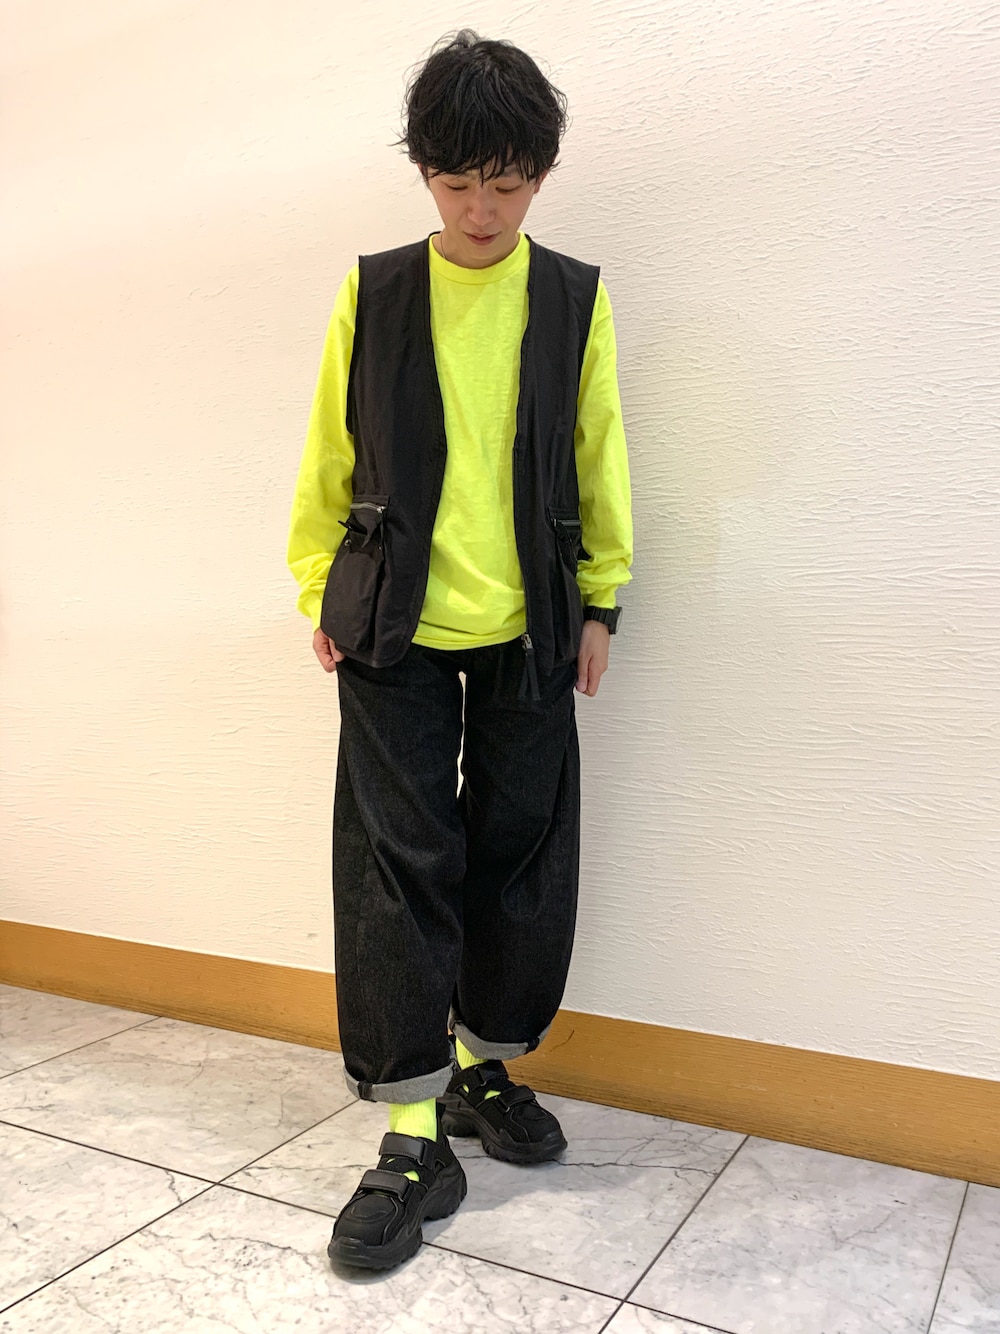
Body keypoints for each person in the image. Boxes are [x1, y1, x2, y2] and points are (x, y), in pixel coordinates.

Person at [287, 29, 633, 1271]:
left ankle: (486, 1065)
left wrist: (601, 601)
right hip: (392, 623)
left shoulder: (572, 297)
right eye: (455, 181)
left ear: (539, 174)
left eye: (506, 182)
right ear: (422, 172)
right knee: (398, 864)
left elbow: (598, 452)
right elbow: (330, 452)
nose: (480, 209)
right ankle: (411, 1129)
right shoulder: (375, 291)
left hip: (534, 618)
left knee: (521, 851)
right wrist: (318, 585)